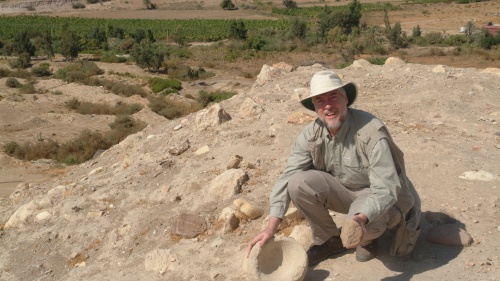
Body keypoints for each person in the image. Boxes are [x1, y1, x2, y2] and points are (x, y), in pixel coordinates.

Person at [247, 70, 421, 266]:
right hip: (345, 192)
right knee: (297, 183)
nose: (328, 106)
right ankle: (329, 240)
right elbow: (289, 175)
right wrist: (271, 228)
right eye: (320, 100)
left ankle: (369, 238)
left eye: (333, 97)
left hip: (377, 195)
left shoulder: (371, 131)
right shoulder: (312, 134)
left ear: (345, 97)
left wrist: (360, 219)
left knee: (357, 231)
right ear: (314, 106)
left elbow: (387, 189)